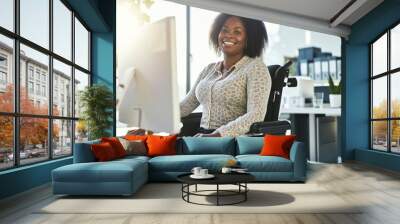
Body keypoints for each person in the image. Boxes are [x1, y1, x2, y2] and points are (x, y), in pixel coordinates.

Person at [180, 13, 271, 137]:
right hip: (201, 138)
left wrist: (216, 136)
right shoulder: (209, 69)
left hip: (231, 142)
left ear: (249, 38)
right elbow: (185, 106)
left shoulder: (255, 68)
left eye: (237, 32)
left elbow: (255, 115)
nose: (229, 35)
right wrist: (153, 116)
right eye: (224, 30)